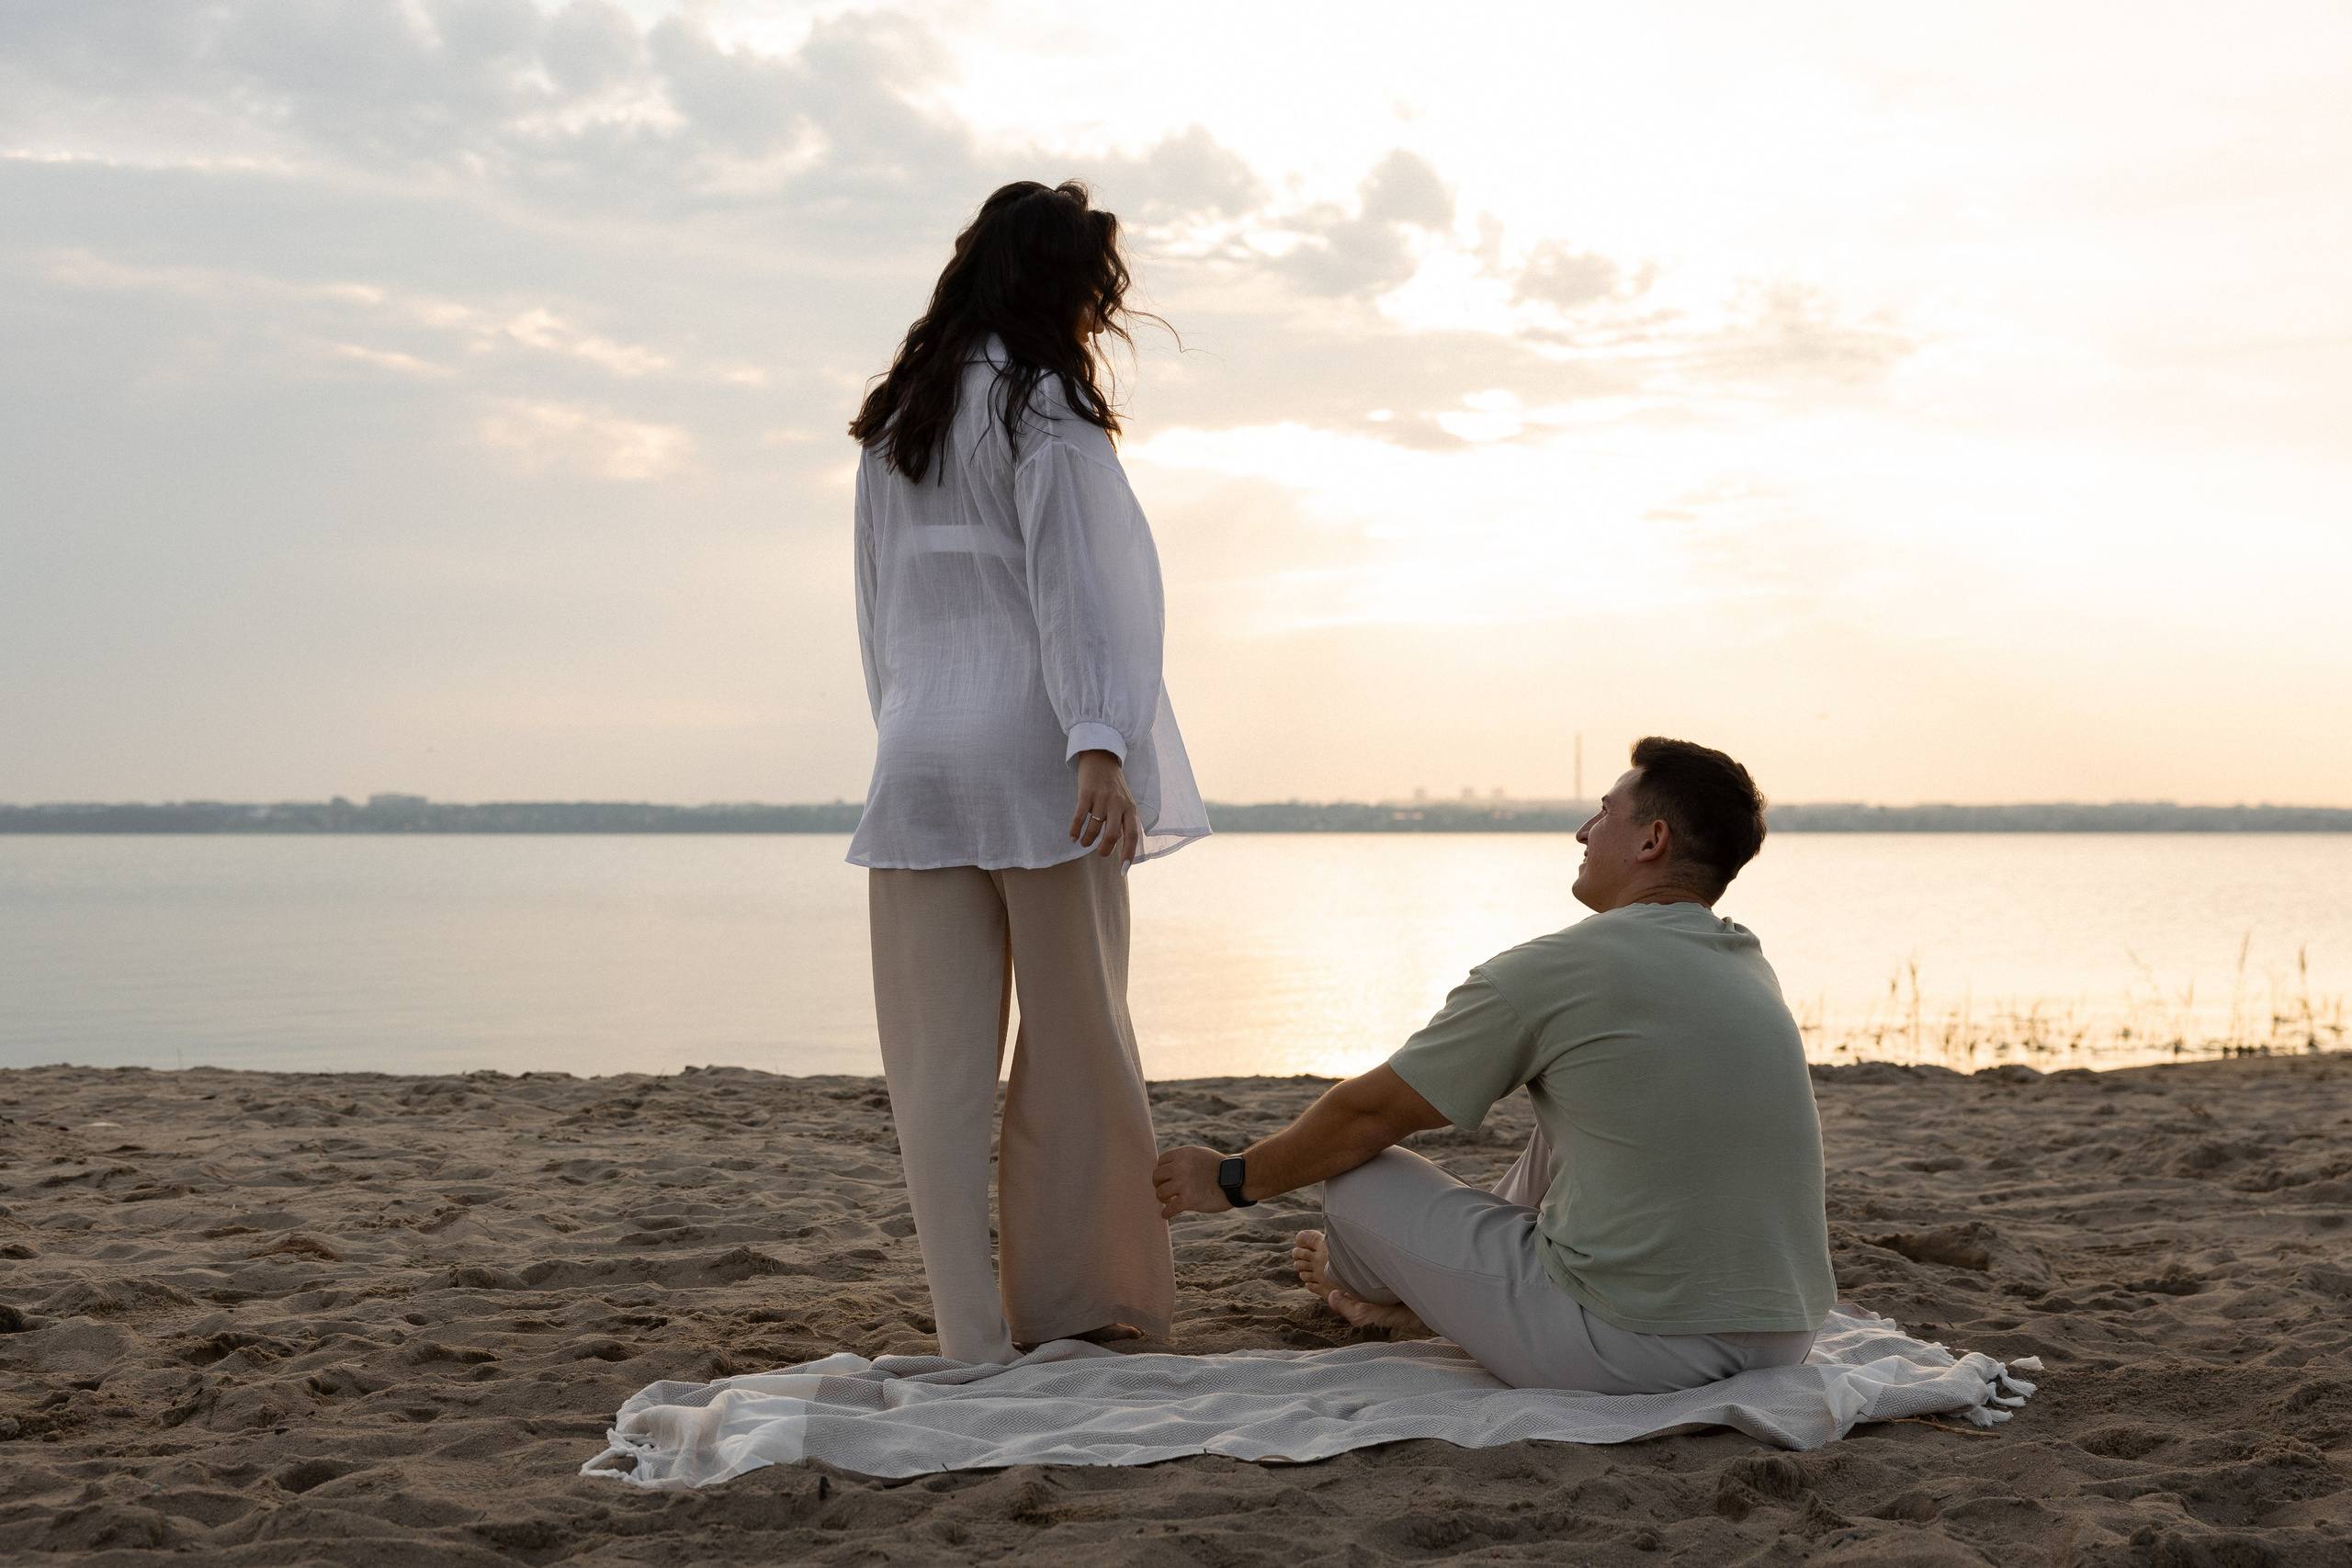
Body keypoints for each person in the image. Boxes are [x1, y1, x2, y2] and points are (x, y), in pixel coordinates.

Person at [1153, 738, 1833, 1393]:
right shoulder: (1747, 962)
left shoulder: (1562, 966)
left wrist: (1233, 1177)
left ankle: (1385, 1284)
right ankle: (1437, 1297)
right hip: (1784, 1338)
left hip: (1636, 1345)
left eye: (1603, 811)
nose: (1583, 831)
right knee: (1582, 1114)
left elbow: (1367, 1115)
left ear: (1652, 841)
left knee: (1356, 1180)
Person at [846, 180, 1209, 1364]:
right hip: (1039, 754)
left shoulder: (897, 414)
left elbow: (878, 612)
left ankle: (970, 1337)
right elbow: (1081, 586)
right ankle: (1082, 1305)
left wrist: (905, 731)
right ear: (1063, 283)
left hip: (919, 763)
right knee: (1075, 1045)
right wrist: (1098, 741)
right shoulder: (1042, 400)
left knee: (934, 1080)